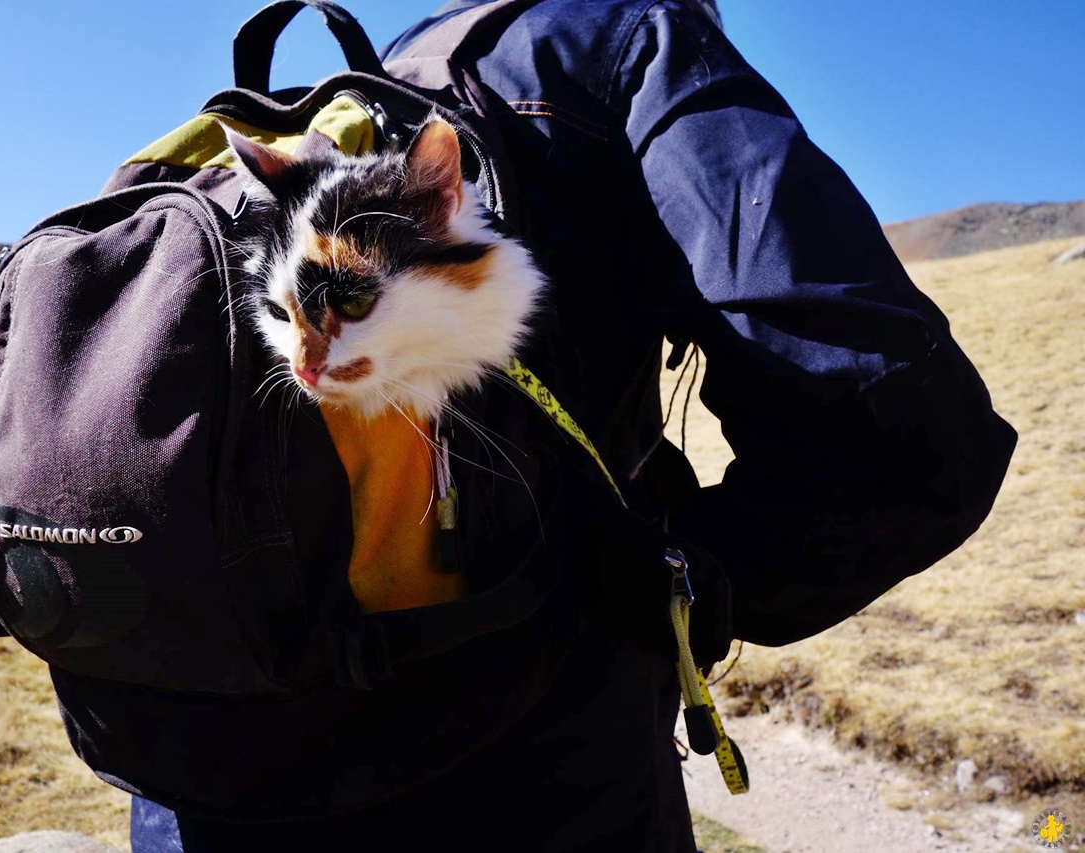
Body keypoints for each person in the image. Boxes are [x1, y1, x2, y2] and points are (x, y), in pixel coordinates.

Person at [129, 1, 1016, 849]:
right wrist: (675, 585)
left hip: (193, 780)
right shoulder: (635, 39)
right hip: (518, 775)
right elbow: (899, 430)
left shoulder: (379, 76)